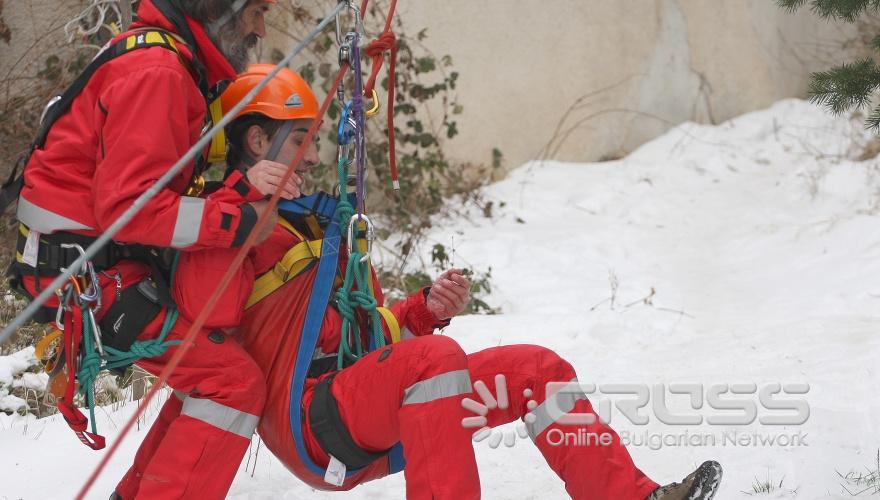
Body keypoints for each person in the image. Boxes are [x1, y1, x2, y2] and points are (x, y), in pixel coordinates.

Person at [170, 64, 724, 500]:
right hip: (311, 420)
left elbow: (371, 334)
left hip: (364, 403)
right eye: (300, 141)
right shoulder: (224, 222)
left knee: (537, 370)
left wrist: (424, 310)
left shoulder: (320, 225)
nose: (314, 157)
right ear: (258, 141)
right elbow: (203, 312)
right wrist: (242, 199)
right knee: (433, 361)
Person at [6, 1, 297, 498]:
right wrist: (240, 221)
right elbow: (131, 210)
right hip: (84, 274)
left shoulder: (158, 57)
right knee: (231, 382)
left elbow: (146, 196)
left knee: (213, 370)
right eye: (256, 11)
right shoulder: (159, 73)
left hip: (88, 263)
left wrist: (240, 191)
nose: (260, 29)